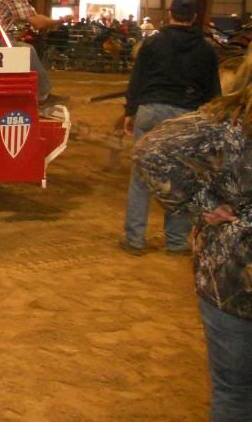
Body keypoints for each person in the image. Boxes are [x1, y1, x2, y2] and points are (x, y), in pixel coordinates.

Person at [134, 50, 252, 421]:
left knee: (233, 394)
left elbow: (151, 149)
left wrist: (201, 202)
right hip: (229, 275)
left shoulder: (225, 122)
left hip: (229, 276)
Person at [120, 0, 220, 256]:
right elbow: (213, 92)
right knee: (182, 177)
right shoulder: (207, 49)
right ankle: (176, 242)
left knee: (141, 176)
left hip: (151, 110)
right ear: (195, 17)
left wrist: (130, 112)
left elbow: (137, 81)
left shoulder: (152, 44)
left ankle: (134, 239)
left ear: (169, 13)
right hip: (186, 117)